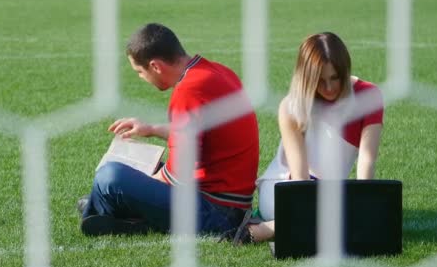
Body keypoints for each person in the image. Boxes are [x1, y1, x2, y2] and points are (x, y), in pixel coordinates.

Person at [80, 23, 260, 236]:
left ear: (155, 66)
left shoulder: (188, 90)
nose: (141, 77)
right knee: (131, 176)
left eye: (139, 71)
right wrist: (151, 129)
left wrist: (146, 181)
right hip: (230, 205)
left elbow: (178, 174)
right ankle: (116, 209)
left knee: (110, 176)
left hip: (217, 213)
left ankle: (108, 211)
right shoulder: (216, 72)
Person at [220, 32, 384, 244]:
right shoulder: (291, 106)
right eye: (320, 81)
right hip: (285, 190)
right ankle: (269, 228)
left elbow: (367, 160)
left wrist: (363, 203)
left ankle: (275, 227)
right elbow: (300, 180)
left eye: (335, 78)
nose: (329, 88)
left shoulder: (369, 96)